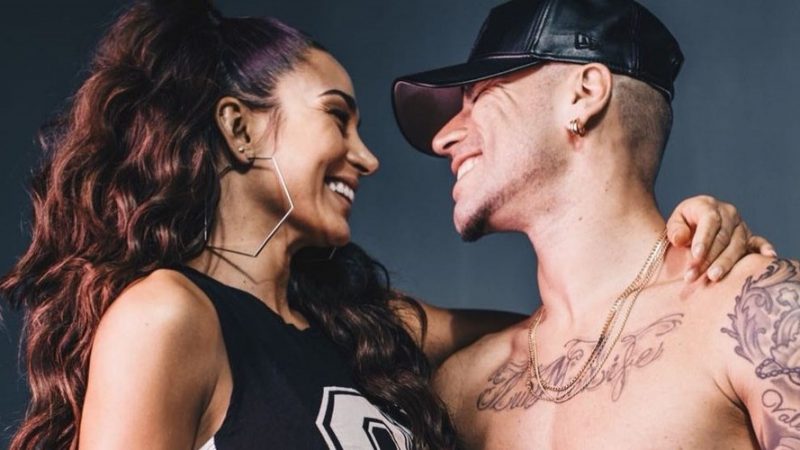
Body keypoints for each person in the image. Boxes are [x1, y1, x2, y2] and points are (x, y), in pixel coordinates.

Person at [0, 0, 766, 449]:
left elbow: (574, 323)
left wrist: (682, 249)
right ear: (237, 130)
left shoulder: (351, 326)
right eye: (337, 117)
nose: (368, 158)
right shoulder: (167, 317)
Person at [392, 0, 798, 448]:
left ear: (583, 94)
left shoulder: (753, 314)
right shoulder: (462, 391)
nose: (443, 137)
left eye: (480, 96)